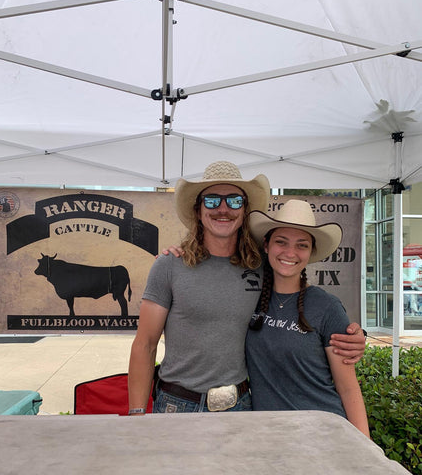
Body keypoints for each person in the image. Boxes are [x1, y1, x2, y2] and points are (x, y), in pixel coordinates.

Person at [128, 161, 366, 415]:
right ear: (198, 210)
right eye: (211, 201)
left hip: (239, 405)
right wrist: (137, 413)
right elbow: (145, 344)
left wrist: (353, 336)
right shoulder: (169, 265)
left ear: (244, 211)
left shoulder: (262, 266)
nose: (223, 209)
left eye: (234, 201)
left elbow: (302, 296)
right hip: (178, 405)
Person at [246, 200, 370, 437]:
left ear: (311, 252)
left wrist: (368, 451)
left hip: (322, 434)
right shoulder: (248, 298)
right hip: (267, 435)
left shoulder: (327, 306)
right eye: (281, 242)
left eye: (301, 245)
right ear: (266, 245)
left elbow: (348, 388)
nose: (290, 253)